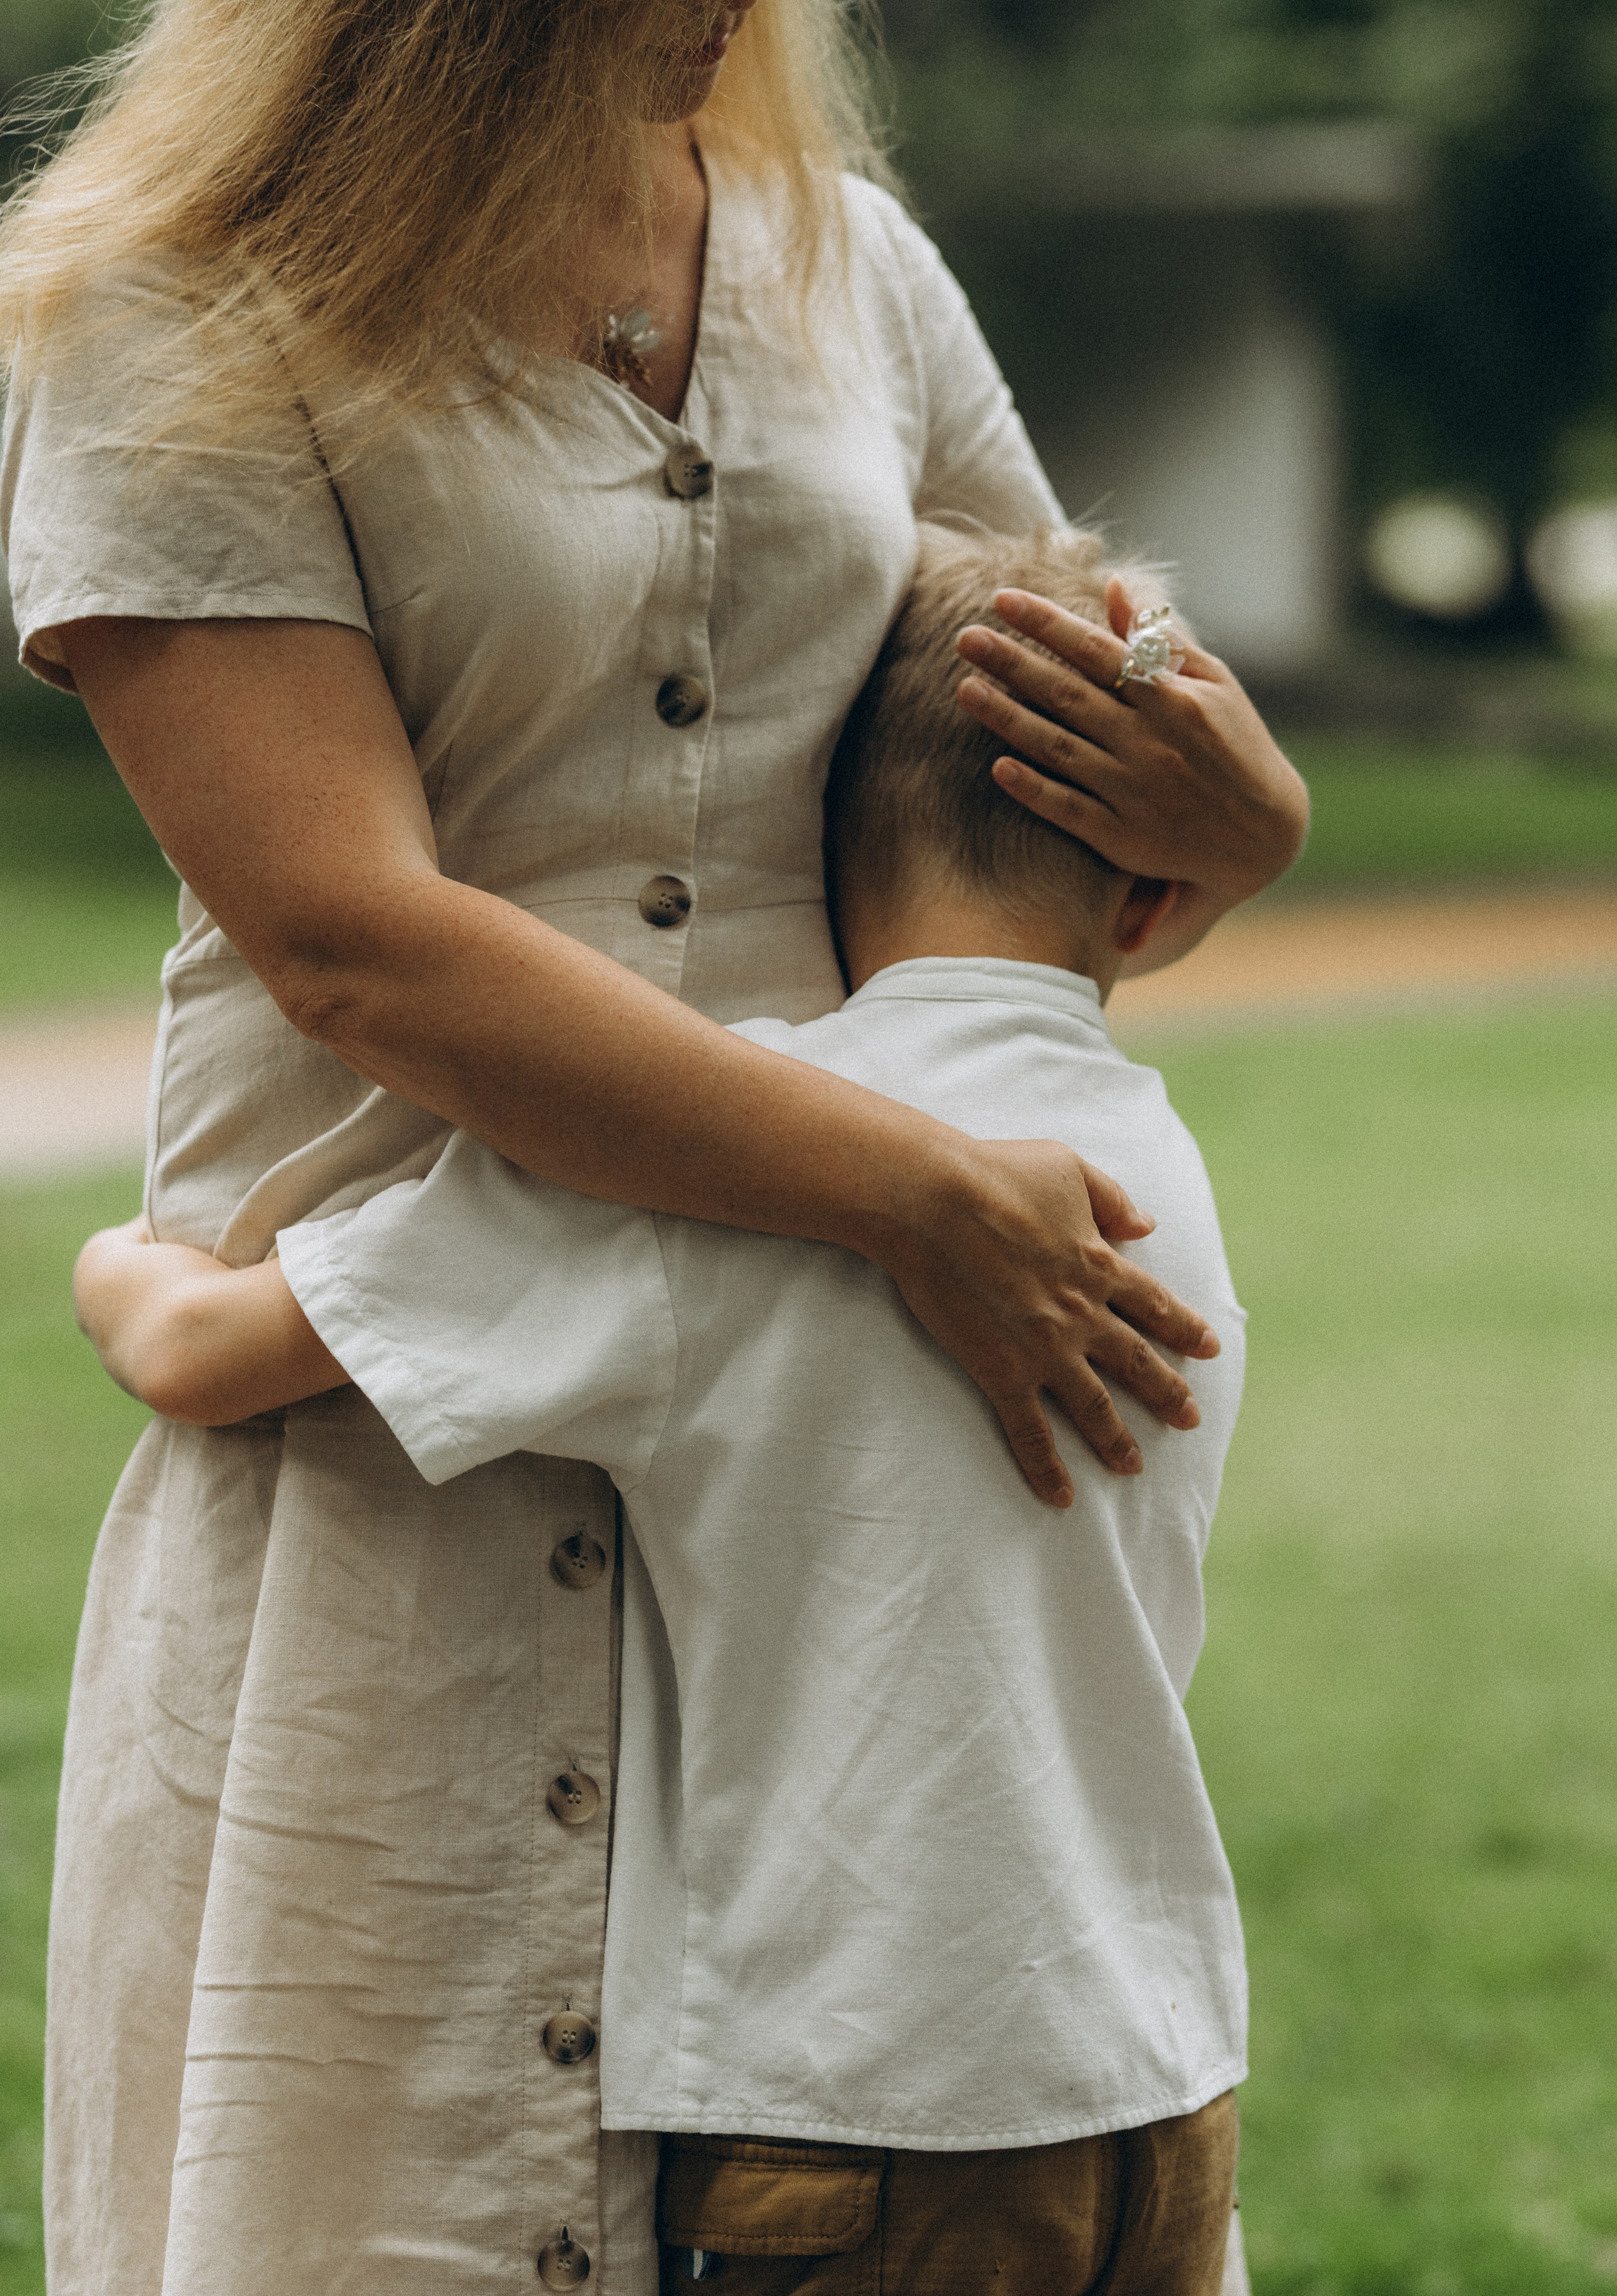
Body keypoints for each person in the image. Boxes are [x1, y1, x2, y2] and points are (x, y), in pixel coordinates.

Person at [1, 0, 1304, 2287]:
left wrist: (1242, 818)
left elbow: (1038, 727)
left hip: (845, 1463)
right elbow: (354, 946)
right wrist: (908, 1187)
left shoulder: (849, 268)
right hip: (395, 1435)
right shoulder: (173, 307)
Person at [75, 526, 1252, 2296]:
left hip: (856, 2116)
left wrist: (113, 1262)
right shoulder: (1159, 1160)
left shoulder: (737, 1157)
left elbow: (197, 1351)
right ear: (1155, 903)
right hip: (1158, 2092)